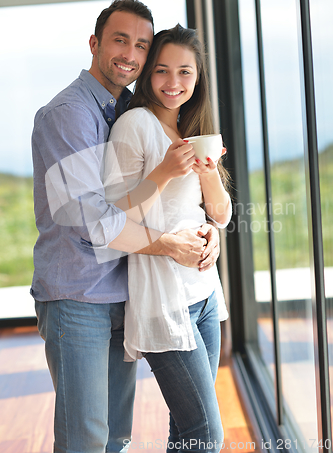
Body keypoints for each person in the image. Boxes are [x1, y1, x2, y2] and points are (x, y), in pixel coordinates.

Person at [31, 0, 221, 453]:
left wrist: (209, 224)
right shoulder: (67, 114)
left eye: (140, 44)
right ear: (95, 43)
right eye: (120, 40)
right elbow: (91, 220)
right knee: (86, 439)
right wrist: (170, 247)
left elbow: (163, 203)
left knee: (116, 437)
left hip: (123, 290)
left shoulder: (124, 109)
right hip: (78, 296)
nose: (130, 54)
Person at [103, 24, 232, 453]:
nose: (173, 83)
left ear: (198, 79)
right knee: (207, 434)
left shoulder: (192, 129)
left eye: (185, 72)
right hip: (164, 300)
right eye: (161, 71)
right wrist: (164, 173)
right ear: (147, 75)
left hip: (205, 294)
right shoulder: (134, 124)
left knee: (187, 427)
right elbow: (115, 215)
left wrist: (212, 222)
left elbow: (221, 213)